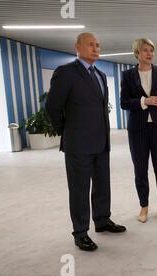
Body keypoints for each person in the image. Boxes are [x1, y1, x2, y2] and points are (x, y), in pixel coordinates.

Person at [46, 32, 126, 252]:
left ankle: (102, 220)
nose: (96, 48)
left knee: (103, 185)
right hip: (78, 144)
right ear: (78, 47)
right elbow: (52, 107)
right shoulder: (66, 73)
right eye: (90, 44)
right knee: (80, 189)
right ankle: (80, 233)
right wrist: (67, 132)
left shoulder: (100, 75)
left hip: (101, 142)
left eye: (98, 45)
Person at [120, 38, 157, 223]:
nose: (149, 54)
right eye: (145, 50)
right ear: (137, 53)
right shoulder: (127, 75)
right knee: (140, 169)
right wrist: (144, 101)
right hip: (138, 129)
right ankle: (143, 206)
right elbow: (124, 102)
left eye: (152, 50)